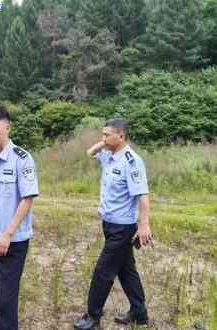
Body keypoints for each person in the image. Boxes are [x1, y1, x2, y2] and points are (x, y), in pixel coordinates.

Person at [74, 118, 152, 329]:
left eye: (108, 135)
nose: (103, 138)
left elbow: (142, 195)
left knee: (103, 271)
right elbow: (89, 153)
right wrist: (105, 142)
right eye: (103, 134)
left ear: (122, 136)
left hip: (122, 228)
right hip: (109, 224)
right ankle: (139, 313)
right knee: (126, 270)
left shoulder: (131, 161)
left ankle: (92, 316)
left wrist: (144, 225)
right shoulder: (109, 155)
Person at [0, 104, 39, 330]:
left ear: (7, 127)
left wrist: (7, 233)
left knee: (6, 299)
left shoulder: (21, 159)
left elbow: (27, 199)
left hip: (12, 241)